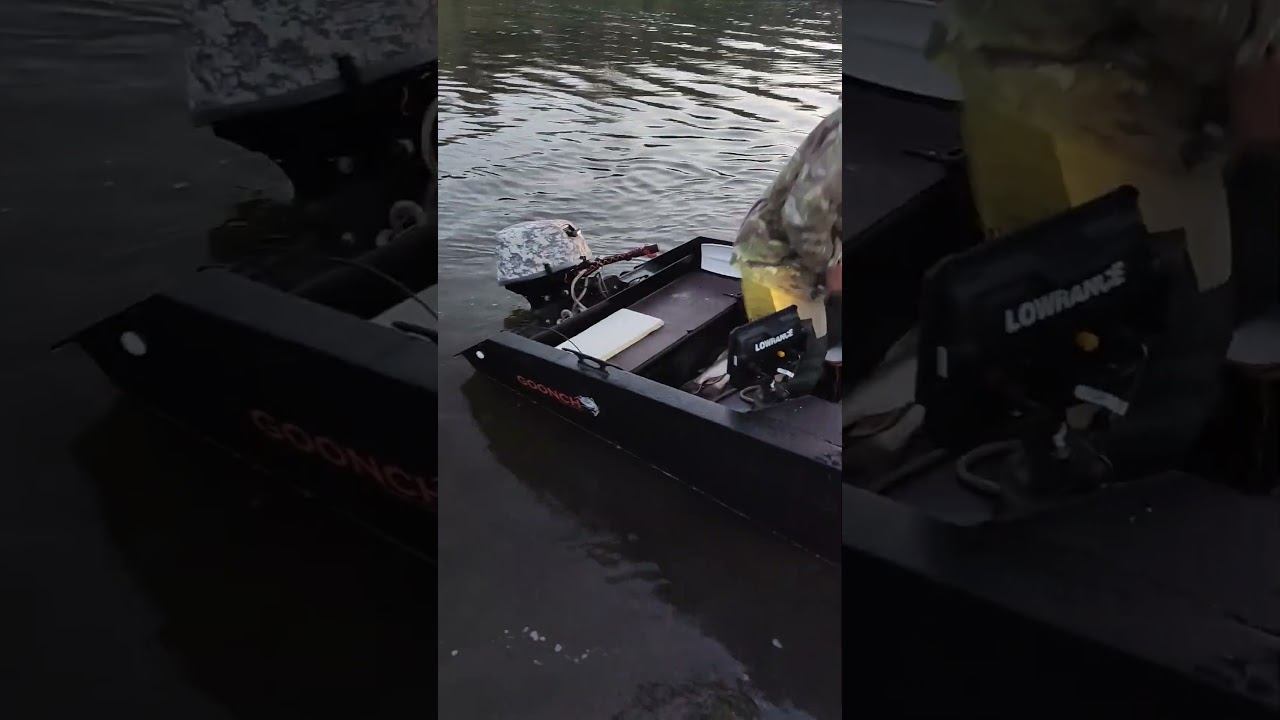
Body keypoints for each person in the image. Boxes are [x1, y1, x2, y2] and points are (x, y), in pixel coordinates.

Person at [929, 0, 1280, 472]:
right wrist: (1257, 46)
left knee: (1033, 328)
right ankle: (1106, 487)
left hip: (1019, 86)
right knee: (1157, 353)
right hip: (1118, 121)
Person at [728, 105, 842, 397]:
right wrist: (830, 267)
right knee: (800, 363)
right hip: (776, 264)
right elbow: (803, 218)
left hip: (808, 261)